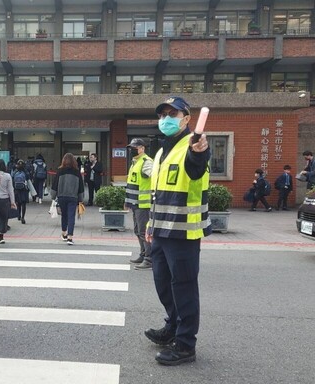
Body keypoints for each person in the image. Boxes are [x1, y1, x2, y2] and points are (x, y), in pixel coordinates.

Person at [144, 96, 211, 366]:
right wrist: (150, 223)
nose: (166, 119)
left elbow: (197, 165)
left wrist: (200, 151)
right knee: (162, 283)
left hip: (183, 234)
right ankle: (173, 325)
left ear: (186, 119)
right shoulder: (162, 151)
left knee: (183, 287)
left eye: (173, 113)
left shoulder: (192, 145)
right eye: (163, 114)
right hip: (160, 231)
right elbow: (157, 193)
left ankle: (185, 345)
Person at [124, 138, 153, 270]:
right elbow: (131, 184)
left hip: (143, 204)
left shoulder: (147, 162)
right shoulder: (134, 163)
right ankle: (143, 254)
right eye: (131, 147)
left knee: (143, 231)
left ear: (142, 148)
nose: (132, 150)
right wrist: (127, 201)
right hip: (135, 204)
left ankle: (149, 259)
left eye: (134, 147)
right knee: (137, 231)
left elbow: (155, 178)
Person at [50, 153, 84, 245]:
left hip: (62, 197)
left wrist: (53, 196)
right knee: (71, 216)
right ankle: (70, 237)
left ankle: (64, 233)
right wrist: (81, 199)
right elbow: (81, 187)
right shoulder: (77, 172)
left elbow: (55, 184)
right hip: (73, 197)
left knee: (64, 215)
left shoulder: (60, 171)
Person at [12, 159, 31, 224]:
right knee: (24, 204)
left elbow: (12, 178)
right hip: (24, 190)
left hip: (17, 189)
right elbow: (28, 178)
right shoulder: (25, 172)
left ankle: (18, 215)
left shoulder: (15, 171)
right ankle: (23, 217)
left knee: (18, 203)